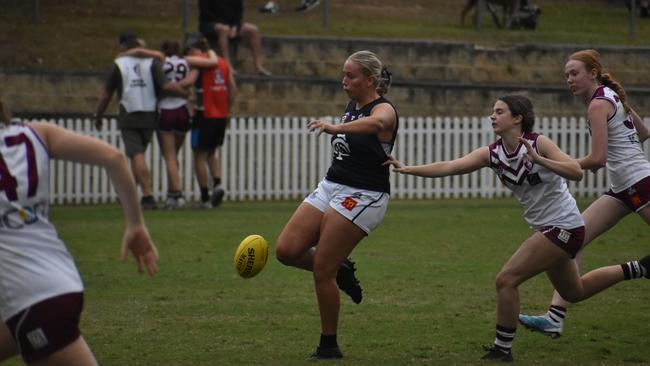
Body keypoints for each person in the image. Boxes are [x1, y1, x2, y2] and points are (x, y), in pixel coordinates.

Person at [384, 95, 650, 362]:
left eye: (499, 111)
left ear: (517, 118)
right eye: (492, 111)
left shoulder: (538, 143)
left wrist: (540, 159)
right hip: (549, 229)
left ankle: (502, 349)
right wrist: (408, 169)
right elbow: (450, 166)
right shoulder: (493, 153)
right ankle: (640, 268)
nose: (492, 116)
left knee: (506, 280)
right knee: (574, 292)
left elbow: (575, 171)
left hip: (563, 227)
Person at [0, 99, 159, 366]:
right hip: (56, 283)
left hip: (34, 298)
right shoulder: (36, 133)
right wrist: (135, 224)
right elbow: (115, 158)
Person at [518, 49, 650, 339]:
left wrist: (552, 163)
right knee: (574, 238)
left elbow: (598, 159)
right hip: (622, 188)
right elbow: (642, 133)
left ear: (592, 73)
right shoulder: (611, 97)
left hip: (639, 185)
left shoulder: (597, 105)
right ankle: (554, 318)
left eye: (574, 73)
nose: (569, 80)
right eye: (566, 75)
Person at [275, 50, 398, 360]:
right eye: (343, 74)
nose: (344, 81)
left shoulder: (384, 110)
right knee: (286, 251)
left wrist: (336, 127)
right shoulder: (352, 105)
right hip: (331, 185)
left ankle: (328, 345)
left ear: (369, 80)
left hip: (365, 194)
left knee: (321, 269)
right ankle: (340, 267)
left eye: (350, 76)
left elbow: (377, 123)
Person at [94, 30, 188, 210]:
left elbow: (106, 95)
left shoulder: (119, 64)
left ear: (123, 45)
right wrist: (183, 92)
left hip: (129, 113)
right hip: (150, 113)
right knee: (139, 156)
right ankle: (126, 193)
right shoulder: (151, 62)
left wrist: (98, 115)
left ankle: (147, 196)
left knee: (136, 155)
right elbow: (165, 86)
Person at [184, 37, 237, 208]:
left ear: (196, 51)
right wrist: (227, 108)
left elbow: (190, 82)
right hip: (221, 115)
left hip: (204, 114)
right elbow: (232, 88)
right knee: (212, 152)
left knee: (199, 155)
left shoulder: (201, 63)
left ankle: (205, 197)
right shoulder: (223, 63)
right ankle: (218, 184)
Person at [158, 39, 191, 209]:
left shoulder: (161, 62)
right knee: (174, 155)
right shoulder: (185, 62)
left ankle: (177, 193)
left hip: (167, 108)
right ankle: (172, 193)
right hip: (183, 110)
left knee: (169, 155)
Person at [197, 0, 271, 76]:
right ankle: (227, 66)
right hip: (210, 24)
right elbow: (205, 13)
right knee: (224, 29)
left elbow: (239, 12)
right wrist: (226, 26)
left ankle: (258, 66)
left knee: (253, 30)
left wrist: (235, 26)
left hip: (230, 25)